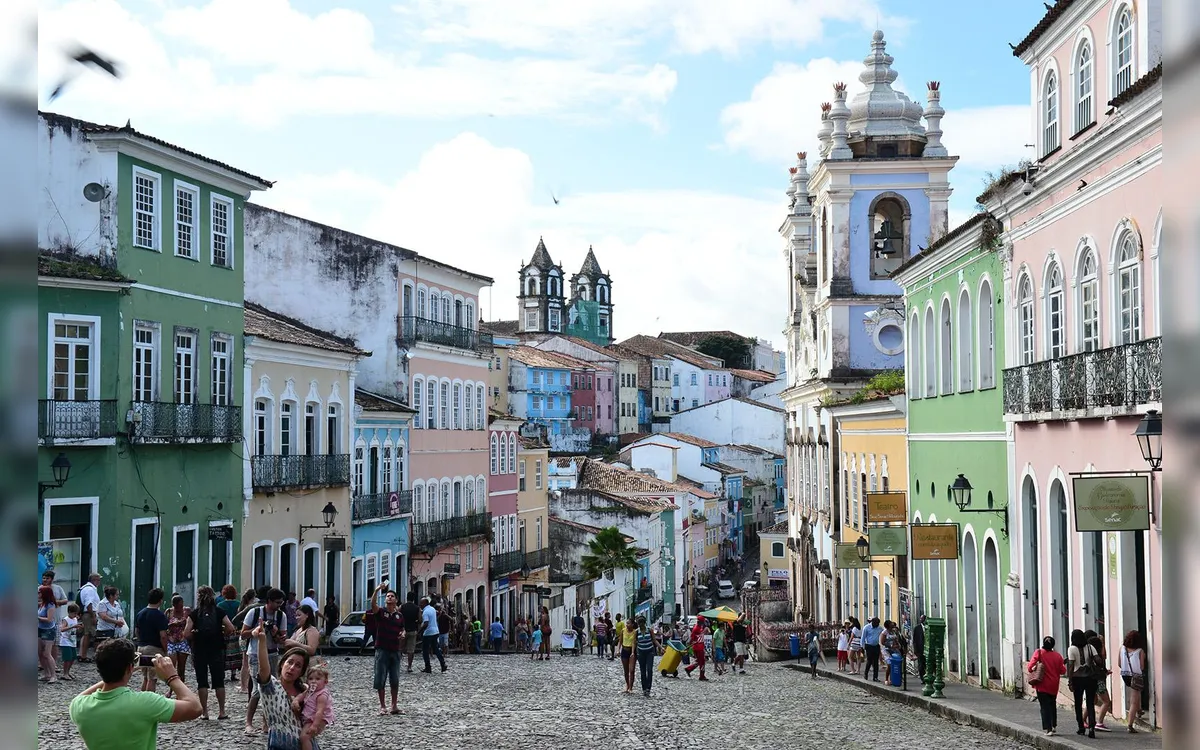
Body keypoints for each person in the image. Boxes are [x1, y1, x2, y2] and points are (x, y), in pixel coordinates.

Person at [69, 639, 203, 748]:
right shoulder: (145, 702)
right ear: (129, 667)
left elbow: (82, 696)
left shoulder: (80, 706)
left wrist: (121, 671)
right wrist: (172, 677)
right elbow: (195, 707)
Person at [249, 620, 318, 749]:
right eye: (289, 662)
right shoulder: (271, 687)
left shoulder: (305, 691)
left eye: (298, 666)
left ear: (301, 672)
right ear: (282, 664)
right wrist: (262, 640)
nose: (292, 668)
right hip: (281, 744)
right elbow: (263, 667)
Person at [183, 585, 235, 720]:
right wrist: (221, 632)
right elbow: (230, 627)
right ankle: (222, 711)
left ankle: (205, 712)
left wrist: (196, 635)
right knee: (219, 681)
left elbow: (186, 633)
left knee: (202, 681)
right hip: (217, 649)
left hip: (199, 650)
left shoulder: (194, 614)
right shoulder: (219, 611)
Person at [242, 588, 287, 737]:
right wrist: (256, 630)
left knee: (270, 688)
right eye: (277, 602)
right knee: (257, 688)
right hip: (255, 653)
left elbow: (282, 640)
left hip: (272, 654)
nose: (279, 605)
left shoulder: (281, 616)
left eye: (281, 602)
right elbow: (243, 633)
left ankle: (265, 722)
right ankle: (248, 723)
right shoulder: (254, 613)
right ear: (269, 601)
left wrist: (275, 633)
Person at [364, 583, 404, 715]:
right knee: (380, 677)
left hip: (395, 650)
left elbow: (402, 629)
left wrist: (403, 634)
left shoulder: (399, 616)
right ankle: (382, 706)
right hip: (382, 649)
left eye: (392, 596)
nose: (390, 597)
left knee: (395, 678)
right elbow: (373, 604)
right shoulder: (381, 612)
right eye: (388, 596)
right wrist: (376, 590)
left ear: (396, 600)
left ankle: (394, 705)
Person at [1027, 635, 1067, 736]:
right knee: (1052, 705)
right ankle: (1053, 725)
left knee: (1044, 707)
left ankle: (1048, 729)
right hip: (1054, 685)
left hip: (1042, 684)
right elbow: (1063, 670)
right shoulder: (1057, 656)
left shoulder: (1039, 652)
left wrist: (1035, 668)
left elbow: (1030, 667)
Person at [133, 588, 170, 693]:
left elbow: (137, 631)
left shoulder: (140, 613)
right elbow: (163, 636)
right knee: (152, 678)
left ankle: (142, 700)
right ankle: (150, 702)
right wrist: (165, 649)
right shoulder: (160, 616)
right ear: (160, 600)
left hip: (142, 648)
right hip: (154, 649)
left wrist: (142, 641)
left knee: (145, 677)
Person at [294, 663, 334, 750]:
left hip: (318, 719)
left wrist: (315, 725)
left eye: (318, 679)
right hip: (310, 716)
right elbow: (302, 695)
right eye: (310, 678)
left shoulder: (322, 695)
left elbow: (320, 711)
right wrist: (296, 700)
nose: (313, 681)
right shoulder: (310, 690)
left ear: (325, 681)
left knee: (304, 737)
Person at [1067, 628, 1098, 738]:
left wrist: (1070, 681)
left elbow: (1071, 666)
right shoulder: (1090, 647)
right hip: (1090, 678)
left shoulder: (1071, 649)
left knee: (1078, 704)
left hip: (1077, 678)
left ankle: (1081, 726)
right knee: (1090, 704)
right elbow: (1098, 660)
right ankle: (1091, 728)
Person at [1119, 630, 1146, 733]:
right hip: (1136, 676)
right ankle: (1130, 725)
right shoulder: (1140, 651)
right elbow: (1142, 666)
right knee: (1134, 700)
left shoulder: (1122, 648)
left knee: (1136, 694)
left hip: (1125, 675)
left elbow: (1119, 663)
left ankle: (1139, 710)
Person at [165, 594, 191, 690]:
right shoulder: (169, 612)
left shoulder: (187, 611)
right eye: (177, 606)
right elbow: (163, 625)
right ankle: (172, 689)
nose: (179, 608)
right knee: (172, 667)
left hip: (182, 641)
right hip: (171, 641)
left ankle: (181, 690)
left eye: (181, 605)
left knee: (181, 668)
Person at [43, 570, 69, 665]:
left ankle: (53, 664)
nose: (45, 580)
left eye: (47, 578)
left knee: (55, 644)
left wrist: (55, 602)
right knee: (42, 644)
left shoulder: (58, 588)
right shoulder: (40, 589)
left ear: (52, 579)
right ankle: (43, 664)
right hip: (43, 620)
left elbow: (65, 600)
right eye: (44, 578)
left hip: (56, 620)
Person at [1089, 632, 1113, 732]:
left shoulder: (1088, 655)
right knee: (1106, 701)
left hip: (1091, 680)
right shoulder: (1098, 656)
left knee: (1092, 701)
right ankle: (1099, 722)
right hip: (1099, 681)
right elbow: (1104, 655)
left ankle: (1083, 720)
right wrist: (1103, 643)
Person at [78, 573, 103, 663]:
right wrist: (93, 616)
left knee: (86, 634)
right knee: (89, 635)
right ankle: (84, 655)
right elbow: (89, 604)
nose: (99, 582)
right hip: (89, 614)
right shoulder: (90, 590)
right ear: (94, 580)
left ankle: (82, 654)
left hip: (87, 614)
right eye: (98, 580)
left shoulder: (85, 588)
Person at [634, 616, 661, 697]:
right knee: (642, 671)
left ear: (644, 623)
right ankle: (644, 688)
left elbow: (654, 640)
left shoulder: (649, 630)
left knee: (649, 669)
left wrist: (661, 648)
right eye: (639, 624)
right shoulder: (636, 632)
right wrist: (633, 652)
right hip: (641, 652)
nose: (640, 625)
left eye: (641, 624)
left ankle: (648, 687)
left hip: (649, 651)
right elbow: (635, 642)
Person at [418, 597, 447, 672]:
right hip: (435, 631)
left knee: (425, 650)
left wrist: (420, 631)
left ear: (425, 603)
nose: (420, 604)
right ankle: (443, 664)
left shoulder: (425, 612)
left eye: (421, 603)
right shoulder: (432, 609)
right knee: (436, 649)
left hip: (428, 633)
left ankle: (428, 667)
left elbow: (426, 623)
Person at [38, 585, 58, 683]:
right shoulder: (42, 604)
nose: (38, 594)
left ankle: (53, 675)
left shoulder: (50, 605)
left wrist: (37, 617)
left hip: (48, 630)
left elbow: (49, 619)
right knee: (40, 653)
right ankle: (46, 673)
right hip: (40, 629)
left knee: (47, 653)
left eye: (39, 592)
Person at [59, 602, 82, 680]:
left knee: (73, 657)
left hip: (72, 641)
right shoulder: (66, 619)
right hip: (65, 641)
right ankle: (65, 673)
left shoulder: (75, 619)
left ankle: (68, 672)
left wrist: (78, 629)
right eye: (74, 613)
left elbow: (74, 629)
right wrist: (73, 626)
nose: (75, 615)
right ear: (69, 612)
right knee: (67, 658)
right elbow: (62, 629)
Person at [400, 591, 422, 672]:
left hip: (403, 630)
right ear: (413, 599)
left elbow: (398, 616)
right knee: (411, 650)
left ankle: (396, 664)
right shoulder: (417, 608)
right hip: (413, 630)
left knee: (400, 648)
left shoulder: (402, 607)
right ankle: (409, 666)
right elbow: (420, 619)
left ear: (407, 598)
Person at [683, 616, 708, 681]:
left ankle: (689, 669)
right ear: (701, 622)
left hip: (699, 646)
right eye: (703, 622)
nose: (703, 623)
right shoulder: (696, 628)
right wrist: (689, 645)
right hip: (698, 647)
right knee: (702, 662)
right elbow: (692, 638)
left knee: (699, 661)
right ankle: (701, 676)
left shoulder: (700, 627)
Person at [861, 617, 884, 682]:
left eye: (878, 624)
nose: (877, 625)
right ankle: (866, 674)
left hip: (876, 646)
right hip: (869, 645)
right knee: (869, 661)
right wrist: (862, 647)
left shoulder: (880, 628)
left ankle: (875, 677)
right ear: (872, 622)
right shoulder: (866, 628)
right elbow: (863, 638)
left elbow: (882, 634)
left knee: (876, 662)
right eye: (876, 623)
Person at [912, 615, 927, 679]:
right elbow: (914, 640)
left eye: (923, 619)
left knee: (927, 664)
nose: (922, 620)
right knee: (921, 664)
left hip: (927, 649)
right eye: (921, 618)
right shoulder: (917, 628)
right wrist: (915, 650)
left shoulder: (928, 627)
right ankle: (922, 678)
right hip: (920, 649)